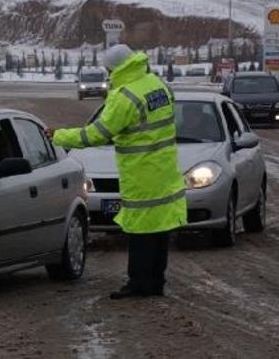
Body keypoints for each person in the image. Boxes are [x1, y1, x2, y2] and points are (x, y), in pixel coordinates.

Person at [49, 44, 186, 299]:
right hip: (165, 170)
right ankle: (156, 282)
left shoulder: (126, 96)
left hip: (141, 172)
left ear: (112, 68)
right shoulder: (157, 84)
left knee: (139, 231)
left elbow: (97, 133)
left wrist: (59, 136)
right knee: (159, 230)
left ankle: (139, 284)